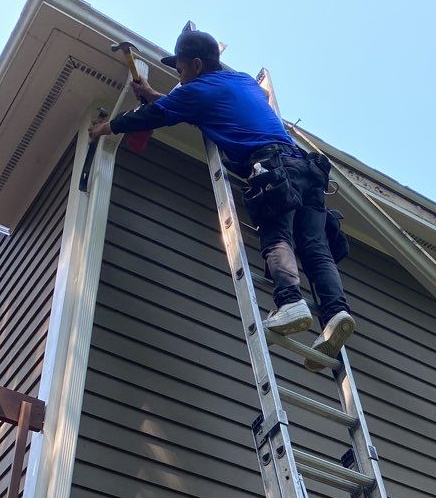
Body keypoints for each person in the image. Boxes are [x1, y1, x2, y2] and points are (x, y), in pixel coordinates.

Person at [88, 28, 355, 361]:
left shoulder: (194, 91)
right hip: (306, 169)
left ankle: (290, 302)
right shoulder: (243, 81)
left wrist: (103, 128)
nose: (179, 77)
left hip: (270, 166)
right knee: (316, 248)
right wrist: (158, 94)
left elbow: (152, 116)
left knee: (277, 237)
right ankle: (335, 314)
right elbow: (199, 104)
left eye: (181, 70)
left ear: (197, 65)